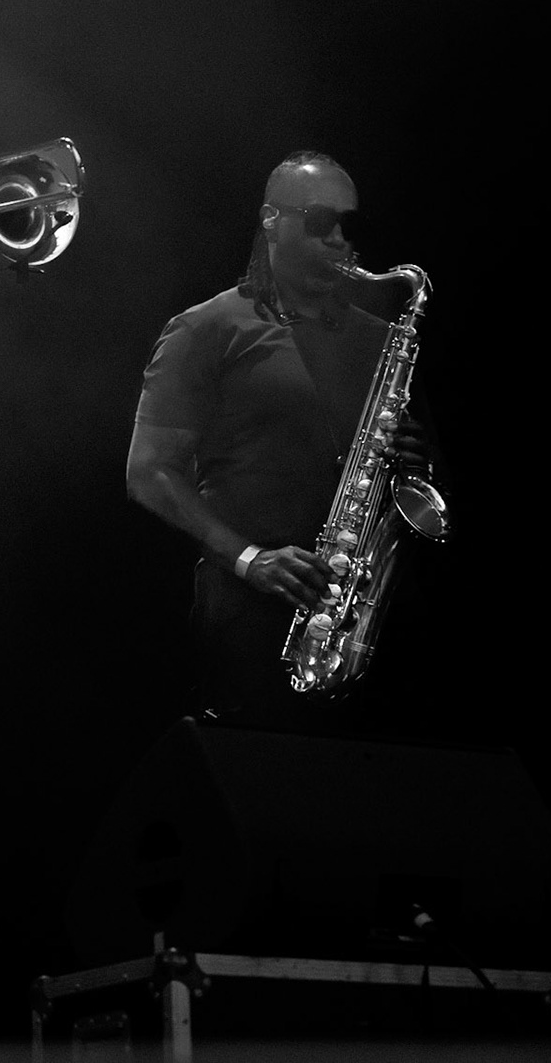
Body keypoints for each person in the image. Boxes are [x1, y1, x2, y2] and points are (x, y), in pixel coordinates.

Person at [126, 151, 435, 732]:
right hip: (249, 610)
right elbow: (148, 472)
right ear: (272, 220)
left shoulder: (379, 340)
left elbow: (415, 474)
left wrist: (413, 461)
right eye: (322, 221)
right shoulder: (207, 328)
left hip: (358, 610)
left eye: (350, 224)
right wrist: (249, 559)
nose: (341, 239)